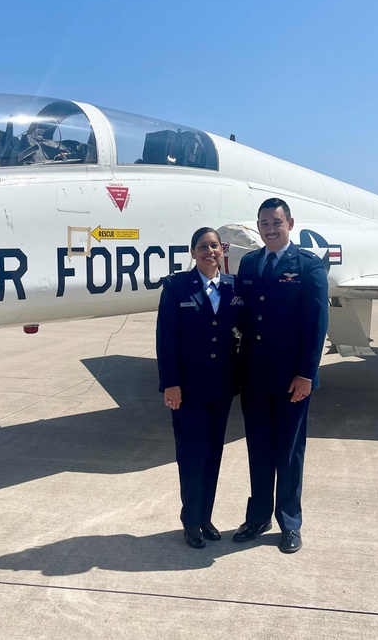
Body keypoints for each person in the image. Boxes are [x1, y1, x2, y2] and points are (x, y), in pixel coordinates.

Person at [232, 198, 328, 554]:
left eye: (276, 222)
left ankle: (289, 522)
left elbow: (316, 325)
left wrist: (307, 373)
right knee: (258, 449)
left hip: (292, 379)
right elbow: (239, 313)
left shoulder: (307, 265)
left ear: (290, 223)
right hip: (255, 375)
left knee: (289, 453)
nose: (270, 230)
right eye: (264, 223)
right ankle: (258, 517)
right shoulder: (250, 263)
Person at [156, 227, 243, 549]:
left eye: (215, 246)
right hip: (188, 390)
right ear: (193, 252)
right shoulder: (177, 286)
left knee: (213, 453)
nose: (210, 251)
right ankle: (191, 520)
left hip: (221, 387)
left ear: (223, 251)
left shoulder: (234, 287)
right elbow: (166, 339)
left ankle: (205, 516)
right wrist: (171, 384)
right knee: (192, 454)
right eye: (203, 246)